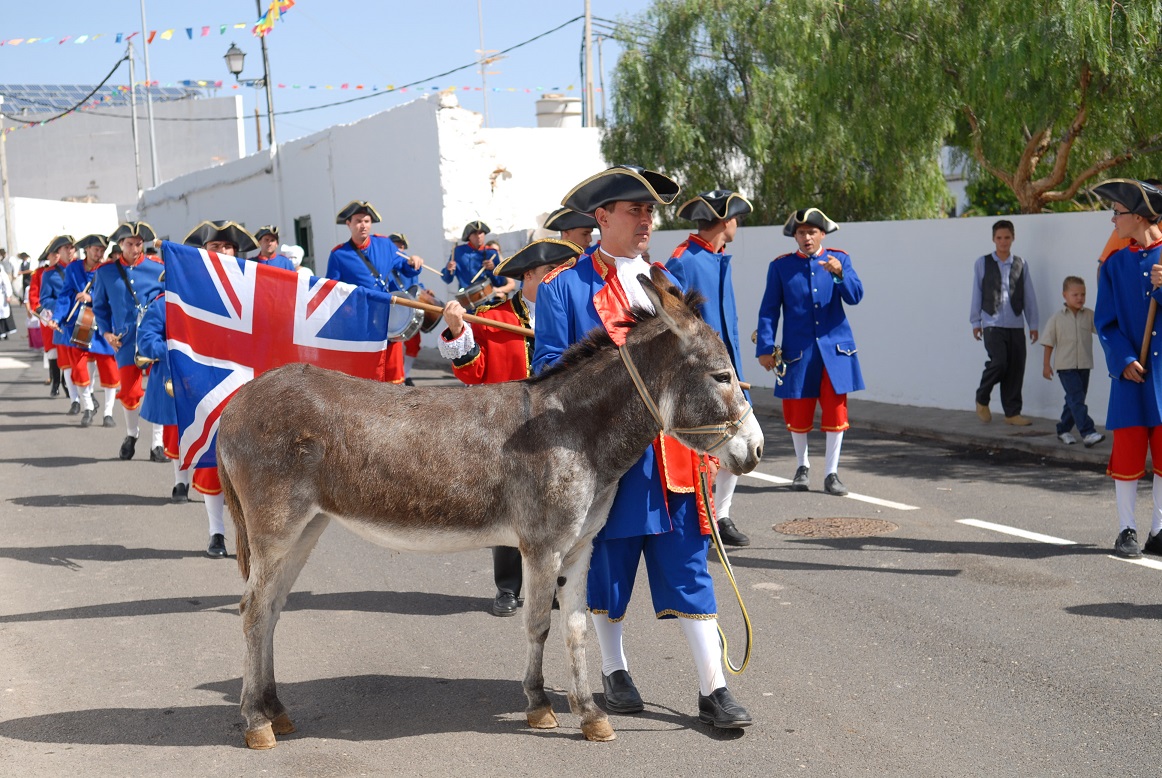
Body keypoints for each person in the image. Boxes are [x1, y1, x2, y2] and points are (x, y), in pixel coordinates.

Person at [534, 164, 752, 730]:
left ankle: (714, 687)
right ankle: (615, 670)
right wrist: (603, 360)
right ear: (601, 218)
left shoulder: (668, 284)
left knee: (688, 565)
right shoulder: (564, 289)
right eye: (635, 210)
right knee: (609, 563)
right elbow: (546, 374)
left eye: (651, 211)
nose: (646, 220)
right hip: (610, 459)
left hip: (674, 456)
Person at [438, 237, 581, 617]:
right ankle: (507, 587)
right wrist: (457, 332)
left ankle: (550, 585)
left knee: (557, 510)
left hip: (561, 426)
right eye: (550, 273)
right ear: (528, 276)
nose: (556, 279)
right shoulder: (495, 317)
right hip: (510, 427)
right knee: (510, 509)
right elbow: (474, 374)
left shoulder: (572, 312)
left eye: (560, 272)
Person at [756, 208, 865, 496]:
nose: (806, 237)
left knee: (835, 411)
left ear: (822, 234)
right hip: (798, 352)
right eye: (801, 232)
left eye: (812, 232)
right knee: (798, 412)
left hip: (835, 350)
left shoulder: (840, 259)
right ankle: (802, 466)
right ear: (795, 235)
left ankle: (832, 473)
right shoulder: (781, 266)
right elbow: (769, 311)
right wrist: (765, 348)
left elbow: (855, 296)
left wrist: (840, 275)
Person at [667, 189, 753, 545]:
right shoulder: (683, 260)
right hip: (700, 373)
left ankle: (723, 514)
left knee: (738, 433)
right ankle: (702, 516)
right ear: (724, 220)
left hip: (729, 364)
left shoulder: (718, 257)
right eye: (735, 218)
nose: (737, 225)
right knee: (706, 440)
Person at [180, 219, 262, 557]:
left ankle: (254, 536)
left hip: (248, 380)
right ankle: (216, 532)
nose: (222, 252)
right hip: (207, 380)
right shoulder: (192, 285)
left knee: (252, 464)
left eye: (227, 247)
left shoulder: (254, 283)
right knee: (212, 460)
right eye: (215, 247)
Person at [1092, 179, 1162, 559]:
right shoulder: (1114, 265)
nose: (1112, 220)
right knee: (1129, 453)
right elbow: (1105, 323)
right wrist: (1121, 360)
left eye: (1116, 213)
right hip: (1130, 378)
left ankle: (1159, 530)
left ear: (1138, 216)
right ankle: (1126, 530)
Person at [326, 200, 424, 384]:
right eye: (358, 221)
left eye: (366, 221)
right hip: (359, 320)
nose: (363, 226)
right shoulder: (339, 254)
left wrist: (414, 263)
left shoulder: (385, 244)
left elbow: (404, 267)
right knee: (366, 372)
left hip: (388, 316)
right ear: (349, 224)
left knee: (392, 372)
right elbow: (333, 290)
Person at [92, 221, 164, 461]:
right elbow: (100, 308)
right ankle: (132, 434)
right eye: (130, 244)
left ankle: (157, 444)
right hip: (125, 342)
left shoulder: (158, 269)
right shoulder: (105, 272)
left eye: (138, 244)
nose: (135, 248)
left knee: (160, 391)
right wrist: (106, 333)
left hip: (155, 339)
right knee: (130, 393)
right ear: (121, 244)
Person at [970, 220, 1040, 426]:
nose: (1003, 242)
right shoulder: (982, 263)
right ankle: (982, 397)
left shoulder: (1021, 263)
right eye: (999, 238)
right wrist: (975, 322)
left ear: (1013, 238)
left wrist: (1033, 324)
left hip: (1016, 323)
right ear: (993, 239)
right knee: (999, 362)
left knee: (1016, 368)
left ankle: (1012, 413)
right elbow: (977, 292)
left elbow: (1029, 296)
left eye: (1007, 237)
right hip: (992, 322)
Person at [53, 234, 120, 428]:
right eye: (96, 249)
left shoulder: (108, 269)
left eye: (102, 250)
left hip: (103, 325)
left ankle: (108, 412)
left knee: (109, 370)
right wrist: (57, 317)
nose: (99, 254)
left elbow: (114, 297)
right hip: (80, 324)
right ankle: (88, 407)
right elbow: (65, 295)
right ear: (87, 249)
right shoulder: (74, 268)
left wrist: (91, 298)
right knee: (80, 368)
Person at [1041, 276, 1104, 448]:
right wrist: (1046, 365)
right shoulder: (1056, 319)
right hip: (1065, 367)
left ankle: (1063, 429)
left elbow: (1103, 329)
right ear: (1065, 295)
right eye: (1075, 294)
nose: (1080, 298)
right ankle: (1088, 432)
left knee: (1075, 399)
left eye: (1083, 294)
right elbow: (1048, 343)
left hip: (1084, 365)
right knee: (1076, 398)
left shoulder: (1089, 315)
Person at [33, 236, 79, 408]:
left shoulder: (82, 268)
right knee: (65, 360)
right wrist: (61, 307)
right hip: (63, 321)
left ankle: (86, 396)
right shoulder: (49, 274)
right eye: (65, 248)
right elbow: (44, 298)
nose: (69, 251)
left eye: (71, 247)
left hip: (83, 320)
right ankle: (73, 397)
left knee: (84, 360)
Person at [442, 221, 505, 297]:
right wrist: (448, 269)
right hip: (466, 299)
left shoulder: (492, 253)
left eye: (481, 233)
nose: (478, 236)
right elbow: (447, 279)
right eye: (475, 233)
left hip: (488, 299)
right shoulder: (458, 252)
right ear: (469, 236)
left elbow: (500, 282)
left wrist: (492, 269)